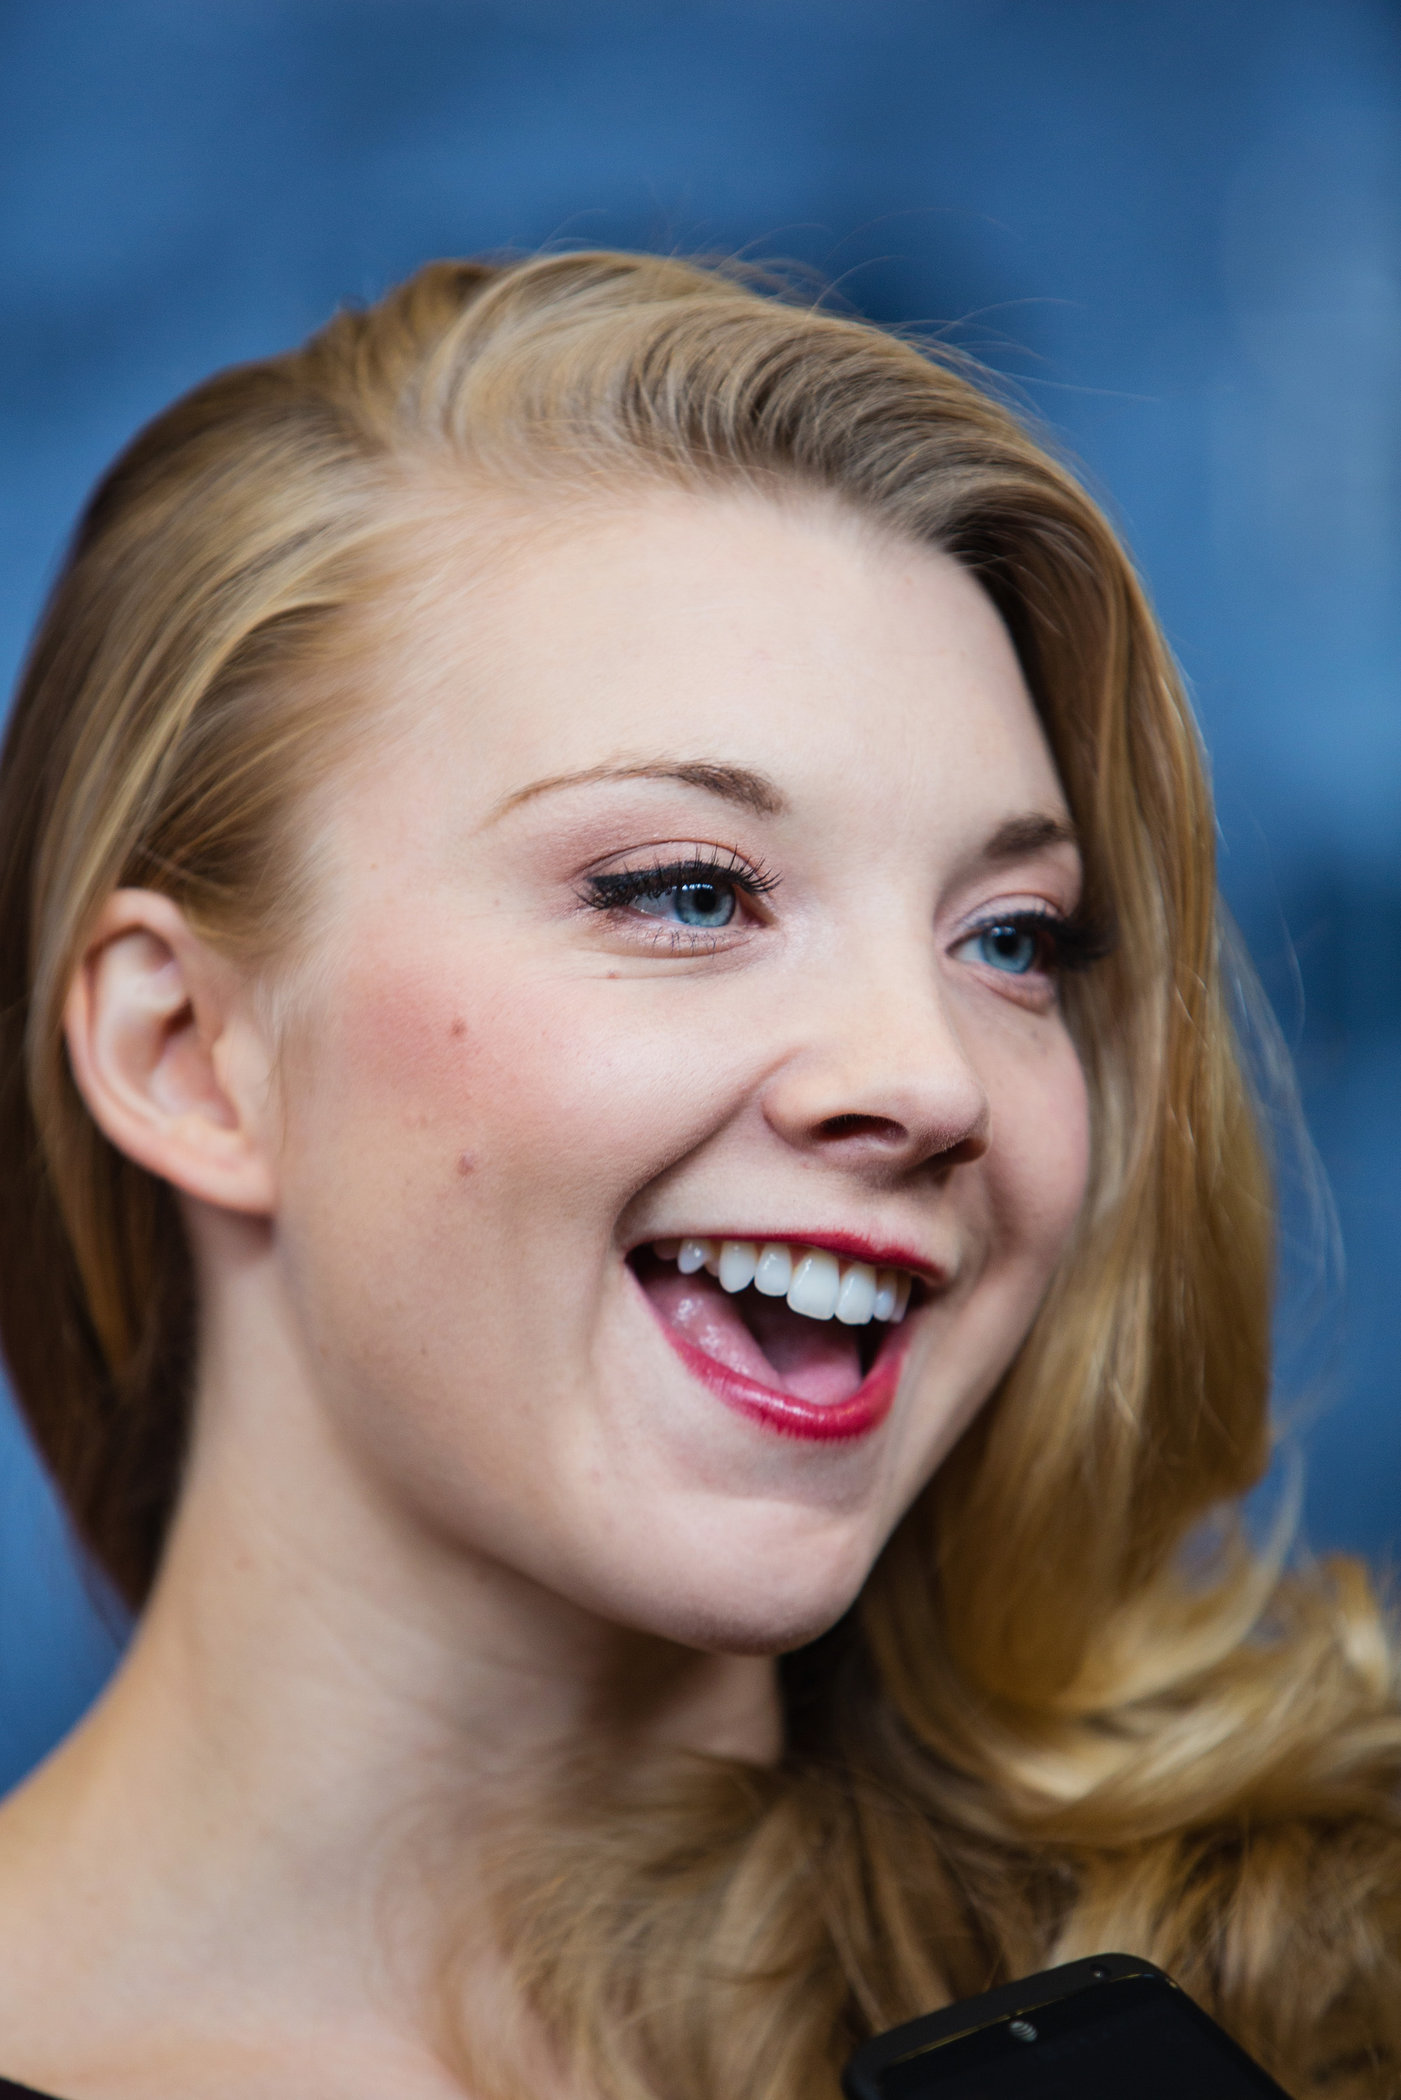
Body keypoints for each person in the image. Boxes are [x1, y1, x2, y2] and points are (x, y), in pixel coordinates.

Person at [0, 251, 1395, 2100]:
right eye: (686, 892)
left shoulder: (1314, 1985)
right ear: (187, 1056)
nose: (924, 1078)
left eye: (1009, 938)